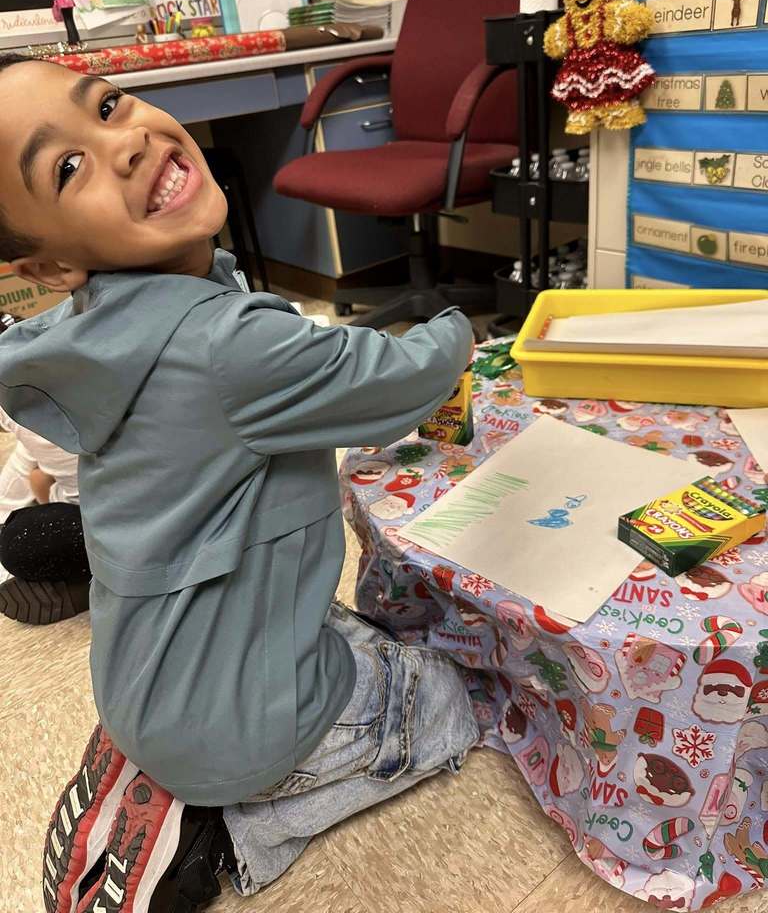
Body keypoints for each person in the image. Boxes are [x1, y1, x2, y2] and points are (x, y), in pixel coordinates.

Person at [0, 54, 479, 913]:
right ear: (49, 267)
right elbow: (399, 383)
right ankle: (224, 829)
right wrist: (460, 336)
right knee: (444, 702)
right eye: (68, 167)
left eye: (108, 106)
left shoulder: (91, 332)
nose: (126, 145)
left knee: (352, 629)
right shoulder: (229, 345)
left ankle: (158, 761)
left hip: (139, 677)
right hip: (234, 728)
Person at [0, 401, 88, 624]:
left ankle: (95, 582)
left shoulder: (16, 402)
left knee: (19, 542)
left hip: (118, 516)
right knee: (37, 479)